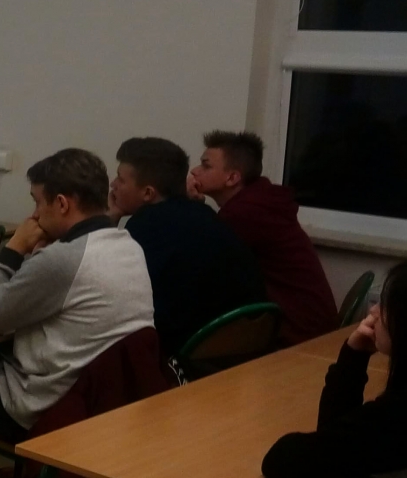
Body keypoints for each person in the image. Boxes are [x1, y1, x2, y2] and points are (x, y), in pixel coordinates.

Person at [0, 148, 156, 441]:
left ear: (62, 204)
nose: (34, 215)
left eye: (38, 202)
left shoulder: (62, 260)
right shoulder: (129, 245)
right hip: (104, 404)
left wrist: (13, 249)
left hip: (43, 410)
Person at [108, 137, 266, 356]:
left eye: (120, 179)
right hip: (245, 345)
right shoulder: (206, 214)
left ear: (148, 193)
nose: (113, 185)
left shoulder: (146, 225)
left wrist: (110, 218)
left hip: (192, 353)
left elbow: (109, 290)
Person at [190, 130, 338, 345]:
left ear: (232, 178)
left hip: (299, 333)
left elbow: (201, 257)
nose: (194, 171)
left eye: (206, 166)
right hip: (312, 323)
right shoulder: (259, 201)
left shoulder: (245, 213)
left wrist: (188, 206)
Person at [262, 262, 407, 478]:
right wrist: (354, 356)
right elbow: (336, 448)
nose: (373, 311)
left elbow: (285, 459)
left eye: (385, 305)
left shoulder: (394, 417)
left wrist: (351, 359)